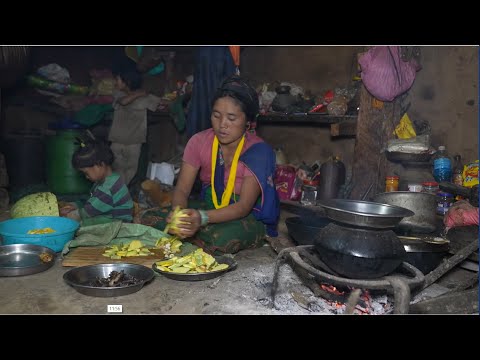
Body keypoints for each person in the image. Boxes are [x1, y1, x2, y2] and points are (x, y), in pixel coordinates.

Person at [146, 75, 279, 254]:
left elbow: (243, 206)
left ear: (248, 121)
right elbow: (182, 190)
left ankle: (200, 235)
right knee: (149, 217)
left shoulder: (259, 152)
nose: (222, 125)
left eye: (231, 118)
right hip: (211, 207)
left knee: (220, 240)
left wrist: (201, 217)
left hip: (246, 216)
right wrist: (178, 214)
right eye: (216, 116)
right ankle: (195, 232)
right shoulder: (199, 141)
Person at [60, 139, 133, 226]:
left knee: (80, 224)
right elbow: (91, 200)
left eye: (86, 173)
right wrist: (76, 205)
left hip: (119, 223)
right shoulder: (104, 181)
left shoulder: (108, 188)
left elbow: (90, 211)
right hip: (108, 217)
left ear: (100, 165)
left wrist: (72, 215)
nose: (86, 177)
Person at [108, 69, 162, 186]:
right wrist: (140, 94)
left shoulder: (144, 98)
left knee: (131, 171)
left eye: (118, 79)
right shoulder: (118, 93)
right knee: (118, 170)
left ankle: (120, 193)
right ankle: (118, 193)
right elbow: (124, 101)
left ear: (126, 82)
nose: (115, 82)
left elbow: (161, 103)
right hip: (118, 141)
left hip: (135, 142)